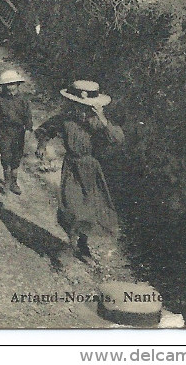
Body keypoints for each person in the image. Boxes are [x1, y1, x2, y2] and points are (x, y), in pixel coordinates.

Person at [35, 80, 123, 260]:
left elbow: (117, 139)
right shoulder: (65, 119)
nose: (80, 110)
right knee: (71, 205)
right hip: (72, 167)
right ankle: (71, 242)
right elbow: (45, 128)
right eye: (76, 105)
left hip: (91, 168)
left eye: (85, 106)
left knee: (89, 208)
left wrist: (103, 119)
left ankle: (83, 244)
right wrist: (42, 144)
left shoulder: (96, 122)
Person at [0, 70, 34, 195]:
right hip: (4, 130)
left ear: (18, 84)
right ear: (3, 86)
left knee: (16, 156)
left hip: (19, 131)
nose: (10, 87)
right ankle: (6, 181)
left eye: (13, 84)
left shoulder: (23, 99)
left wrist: (28, 129)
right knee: (6, 155)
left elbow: (28, 116)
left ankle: (14, 182)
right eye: (7, 84)